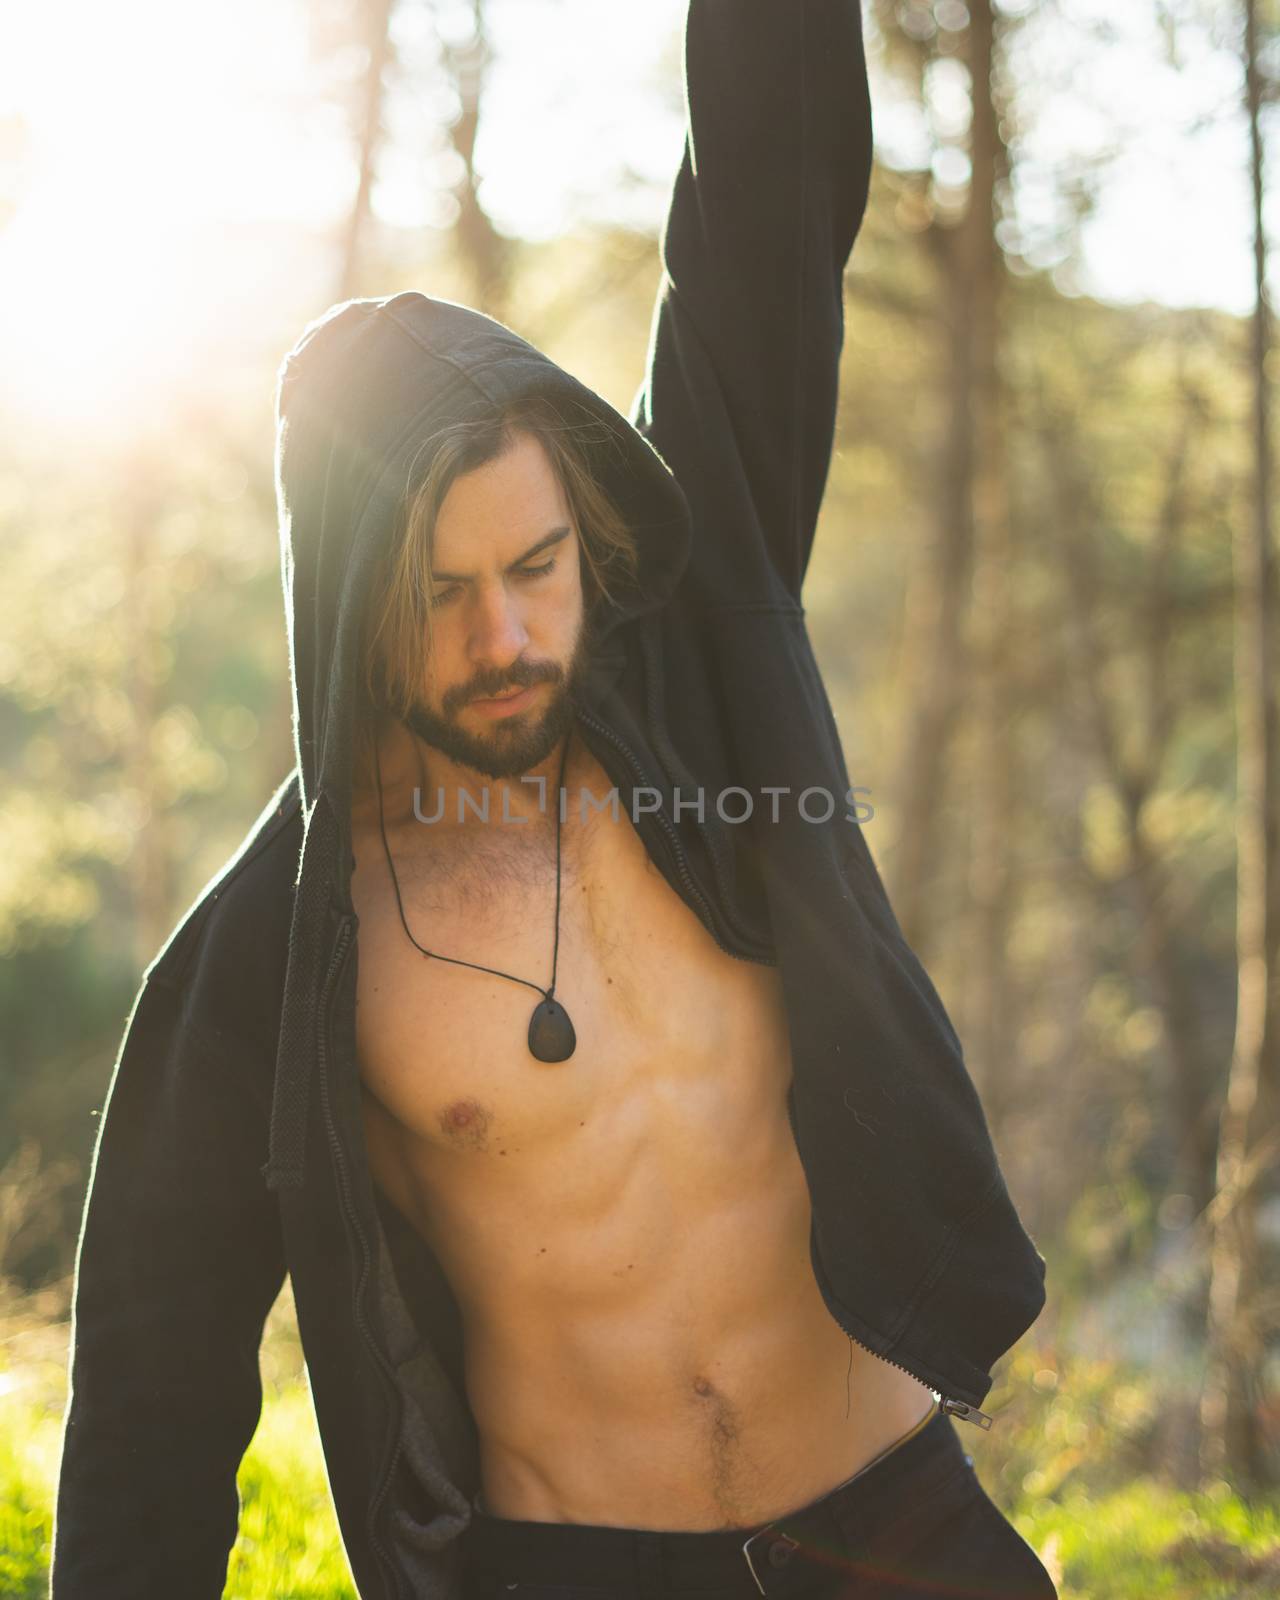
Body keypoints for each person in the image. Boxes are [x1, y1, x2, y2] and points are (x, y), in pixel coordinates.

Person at [51, 3, 1058, 1598]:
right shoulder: (277, 948)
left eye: (535, 567)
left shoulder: (700, 661)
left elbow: (771, 200)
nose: (507, 636)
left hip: (897, 1528)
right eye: (441, 594)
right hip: (579, 1566)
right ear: (350, 610)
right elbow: (147, 1407)